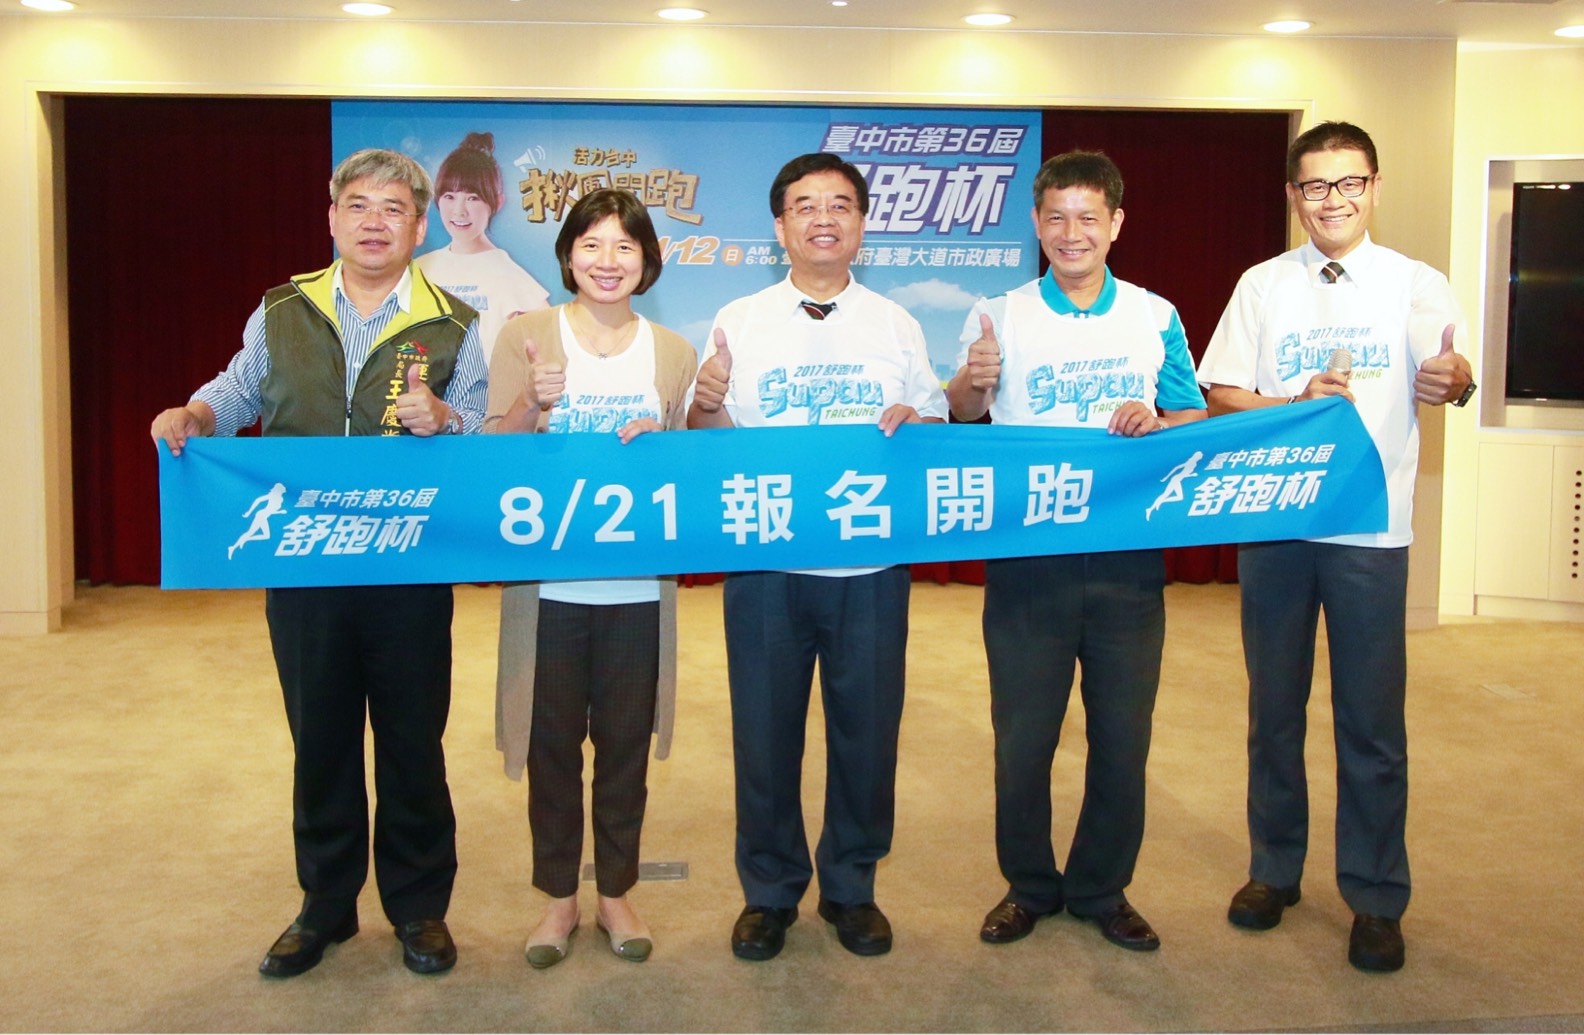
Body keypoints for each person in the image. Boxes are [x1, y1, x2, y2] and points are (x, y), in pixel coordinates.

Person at [150, 148, 488, 978]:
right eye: (359, 205)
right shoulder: (282, 310)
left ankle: (419, 907)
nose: (375, 222)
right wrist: (194, 413)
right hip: (304, 561)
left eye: (393, 209)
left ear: (419, 226)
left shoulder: (455, 321)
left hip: (408, 565)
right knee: (321, 737)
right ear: (332, 216)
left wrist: (446, 417)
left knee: (413, 740)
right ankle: (325, 905)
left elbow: (483, 433)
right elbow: (238, 390)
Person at [1196, 121, 1474, 973]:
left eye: (1349, 183)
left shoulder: (1414, 283)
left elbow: (1449, 367)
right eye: (1315, 186)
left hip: (1368, 532)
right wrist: (1294, 402)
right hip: (1275, 525)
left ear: (1374, 187)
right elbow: (1219, 391)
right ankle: (1274, 870)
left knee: (1371, 722)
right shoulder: (1262, 283)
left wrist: (1451, 379)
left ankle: (1377, 896)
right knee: (1273, 713)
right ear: (1294, 196)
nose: (1332, 201)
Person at [945, 150, 1207, 954]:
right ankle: (1027, 884)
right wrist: (973, 382)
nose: (1071, 232)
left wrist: (1156, 422)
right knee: (1023, 739)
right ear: (1036, 222)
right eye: (1055, 217)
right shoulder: (999, 312)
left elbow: (1192, 417)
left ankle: (1102, 887)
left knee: (1122, 737)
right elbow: (962, 416)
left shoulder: (1155, 314)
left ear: (1116, 223)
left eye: (1088, 217)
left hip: (1127, 556)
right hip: (1031, 557)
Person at [687, 152, 946, 961]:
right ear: (780, 226)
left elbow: (936, 424)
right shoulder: (739, 318)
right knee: (765, 733)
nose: (822, 218)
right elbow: (709, 439)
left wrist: (918, 419)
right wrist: (705, 405)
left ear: (862, 224)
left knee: (867, 732)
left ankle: (851, 886)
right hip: (766, 560)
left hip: (869, 562)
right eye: (804, 205)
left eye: (839, 204)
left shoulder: (895, 323)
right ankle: (768, 892)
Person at [486, 187, 697, 969]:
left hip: (637, 591)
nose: (608, 261)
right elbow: (489, 452)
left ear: (648, 262)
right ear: (568, 255)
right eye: (592, 244)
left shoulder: (673, 351)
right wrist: (530, 405)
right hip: (547, 592)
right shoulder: (526, 336)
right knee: (550, 748)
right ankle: (557, 898)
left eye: (625, 247)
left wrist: (669, 442)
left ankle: (615, 891)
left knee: (623, 747)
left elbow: (694, 472)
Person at [417, 131, 550, 363]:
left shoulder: (509, 274)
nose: (459, 211)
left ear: (497, 202)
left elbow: (548, 347)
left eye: (473, 198)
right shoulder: (420, 268)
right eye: (449, 196)